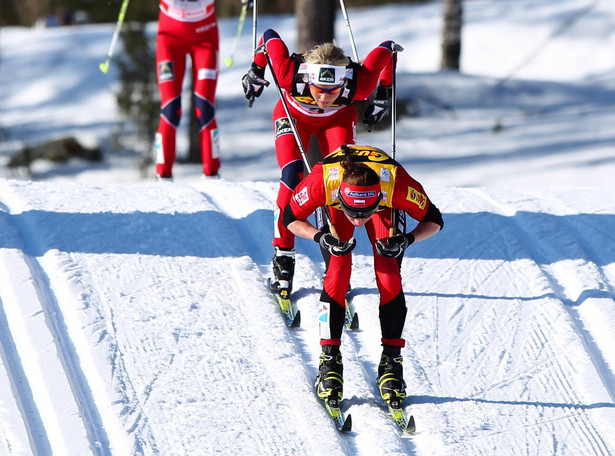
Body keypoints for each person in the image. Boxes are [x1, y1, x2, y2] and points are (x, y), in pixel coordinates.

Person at [241, 28, 398, 299]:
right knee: (292, 176)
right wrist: (257, 69)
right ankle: (283, 258)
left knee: (340, 178)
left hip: (337, 120)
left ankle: (335, 256)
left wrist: (384, 89)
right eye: (319, 90)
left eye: (332, 91)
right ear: (308, 79)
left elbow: (389, 48)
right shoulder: (289, 73)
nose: (324, 99)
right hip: (293, 114)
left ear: (343, 83)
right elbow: (268, 36)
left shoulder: (359, 82)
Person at [282, 144, 444, 406]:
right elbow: (289, 218)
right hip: (337, 201)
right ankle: (329, 358)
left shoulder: (397, 187)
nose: (358, 221)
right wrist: (320, 237)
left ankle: (392, 360)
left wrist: (406, 240)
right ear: (341, 196)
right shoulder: (321, 183)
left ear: (377, 198)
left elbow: (435, 220)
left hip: (385, 206)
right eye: (353, 213)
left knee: (388, 274)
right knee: (338, 270)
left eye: (364, 213)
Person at [154, 0, 220, 180]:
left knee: (205, 107)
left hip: (204, 33)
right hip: (170, 34)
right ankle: (163, 175)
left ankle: (212, 174)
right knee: (170, 108)